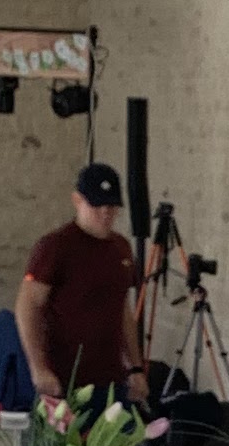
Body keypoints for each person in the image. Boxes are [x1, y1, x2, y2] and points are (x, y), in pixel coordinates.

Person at [17, 164, 154, 426]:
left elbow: (122, 311)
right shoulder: (55, 247)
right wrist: (38, 368)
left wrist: (135, 367)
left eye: (111, 206)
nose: (105, 213)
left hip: (112, 378)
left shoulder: (121, 248)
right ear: (77, 200)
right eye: (96, 205)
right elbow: (28, 306)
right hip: (64, 379)